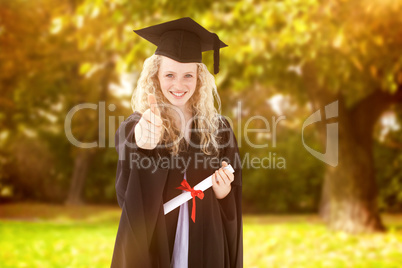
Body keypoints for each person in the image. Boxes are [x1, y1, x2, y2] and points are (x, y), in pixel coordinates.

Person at [111, 17, 242, 268]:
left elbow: (231, 197)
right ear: (155, 77)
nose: (179, 85)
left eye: (188, 76)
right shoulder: (138, 125)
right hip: (159, 239)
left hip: (207, 236)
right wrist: (143, 145)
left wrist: (223, 191)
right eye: (169, 74)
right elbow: (126, 196)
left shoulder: (219, 129)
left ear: (199, 79)